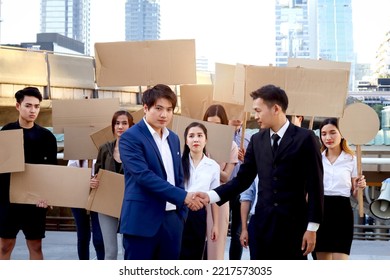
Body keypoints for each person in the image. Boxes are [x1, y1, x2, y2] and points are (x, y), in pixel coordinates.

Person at [197, 84, 324, 260]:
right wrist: (211, 196)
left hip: (294, 228)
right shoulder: (257, 140)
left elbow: (315, 186)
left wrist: (312, 228)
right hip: (261, 227)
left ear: (276, 109)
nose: (255, 116)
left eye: (258, 110)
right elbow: (242, 180)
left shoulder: (306, 138)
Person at [118, 84, 202, 260]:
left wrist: (181, 215)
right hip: (141, 222)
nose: (164, 115)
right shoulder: (130, 137)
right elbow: (144, 176)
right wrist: (183, 197)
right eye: (159, 108)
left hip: (173, 222)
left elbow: (178, 177)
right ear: (146, 108)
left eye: (169, 109)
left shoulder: (173, 138)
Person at [0, 87, 57, 260]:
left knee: (36, 246)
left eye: (37, 106)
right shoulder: (6, 132)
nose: (33, 110)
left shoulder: (47, 137)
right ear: (18, 106)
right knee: (4, 246)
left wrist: (47, 197)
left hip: (35, 201)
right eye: (28, 105)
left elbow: (51, 172)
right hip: (8, 199)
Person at [315, 118, 366, 260]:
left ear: (342, 134)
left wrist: (359, 187)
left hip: (342, 211)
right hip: (320, 210)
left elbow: (355, 195)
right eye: (323, 134)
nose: (328, 137)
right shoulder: (317, 159)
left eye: (332, 133)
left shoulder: (352, 159)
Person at [89, 110, 134, 260]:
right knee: (110, 251)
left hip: (130, 203)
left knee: (129, 248)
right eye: (117, 123)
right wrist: (93, 181)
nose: (120, 126)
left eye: (124, 123)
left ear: (131, 125)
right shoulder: (104, 148)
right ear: (113, 126)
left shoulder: (137, 150)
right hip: (107, 203)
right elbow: (97, 173)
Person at [202, 104, 238, 260]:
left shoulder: (231, 145)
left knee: (215, 247)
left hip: (219, 199)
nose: (213, 128)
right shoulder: (198, 142)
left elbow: (226, 177)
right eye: (210, 123)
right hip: (198, 197)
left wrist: (209, 162)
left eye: (217, 124)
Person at [180, 122, 220, 260]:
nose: (195, 139)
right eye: (191, 136)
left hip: (199, 214)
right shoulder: (178, 163)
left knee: (195, 254)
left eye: (199, 135)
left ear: (206, 139)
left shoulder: (213, 166)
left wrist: (215, 224)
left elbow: (214, 197)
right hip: (179, 212)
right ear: (186, 141)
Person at [68, 159, 105, 260]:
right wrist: (85, 181)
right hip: (79, 196)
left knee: (99, 238)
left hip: (99, 196)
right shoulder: (78, 152)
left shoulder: (104, 149)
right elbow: (70, 174)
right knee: (83, 236)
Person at [227, 119, 252, 260]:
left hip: (241, 189)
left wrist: (246, 159)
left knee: (237, 232)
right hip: (223, 187)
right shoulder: (222, 136)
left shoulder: (249, 137)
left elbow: (253, 165)